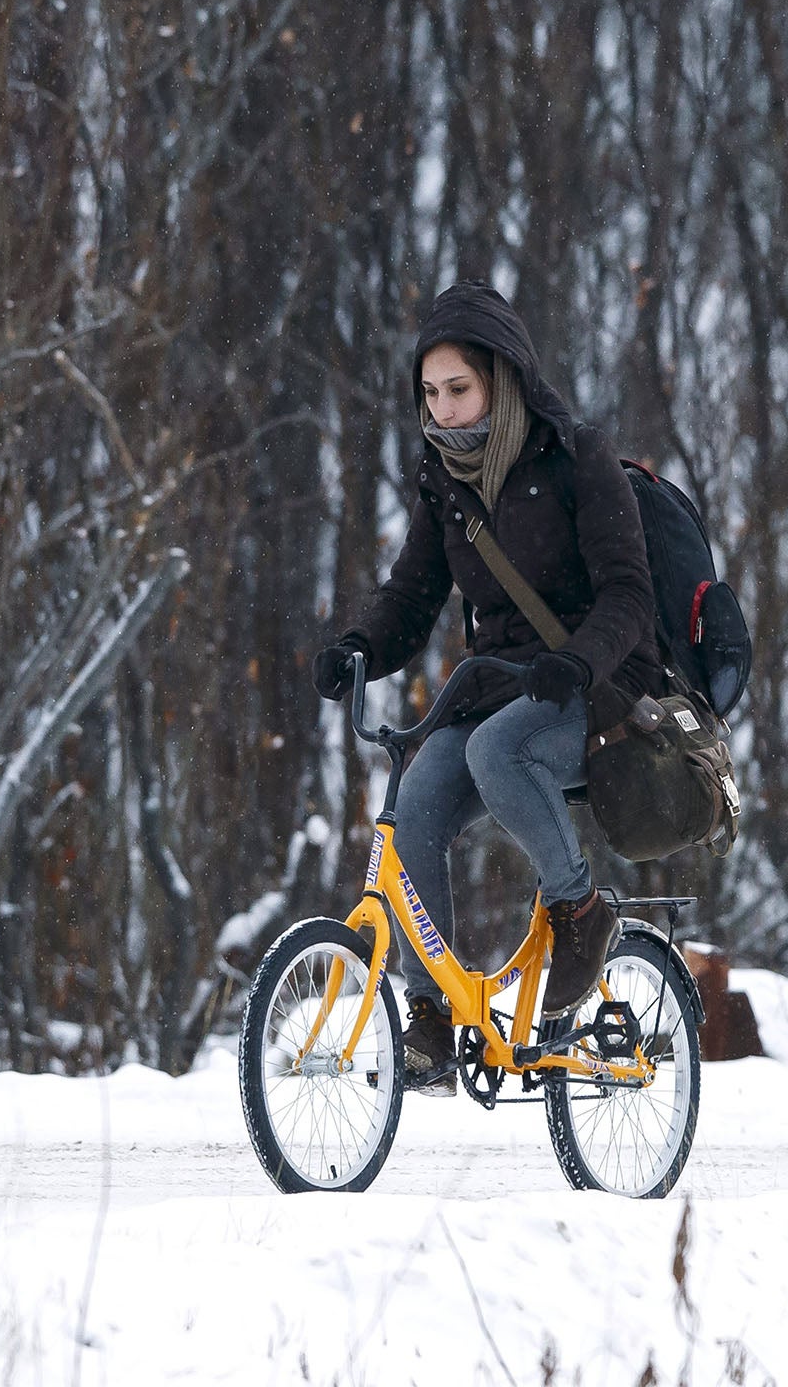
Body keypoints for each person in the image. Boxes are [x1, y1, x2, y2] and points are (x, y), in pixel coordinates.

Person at [313, 280, 662, 1094]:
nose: (443, 409)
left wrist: (577, 660)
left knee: (501, 751)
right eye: (430, 394)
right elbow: (412, 596)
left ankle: (581, 910)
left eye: (458, 389)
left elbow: (630, 594)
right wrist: (359, 648)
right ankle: (434, 1014)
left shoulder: (577, 456)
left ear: (502, 378)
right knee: (420, 795)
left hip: (599, 685)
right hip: (501, 687)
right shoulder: (443, 480)